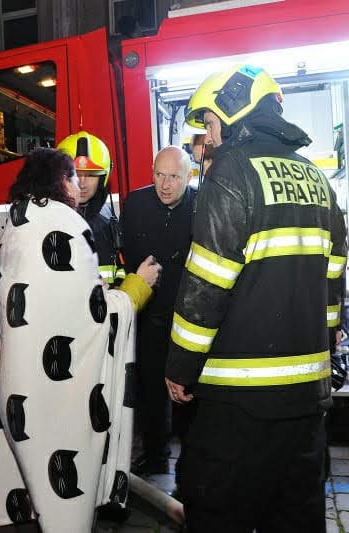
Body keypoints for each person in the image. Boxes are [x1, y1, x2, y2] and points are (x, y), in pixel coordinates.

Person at [165, 65, 348, 532]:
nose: (208, 135)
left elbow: (206, 285)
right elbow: (333, 280)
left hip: (239, 403)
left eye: (208, 123)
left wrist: (180, 369)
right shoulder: (315, 178)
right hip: (308, 402)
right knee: (295, 516)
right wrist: (324, 345)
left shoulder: (231, 173)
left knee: (217, 514)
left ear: (233, 110)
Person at [0, 148, 161, 532]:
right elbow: (93, 318)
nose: (77, 184)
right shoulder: (64, 224)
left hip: (18, 382)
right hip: (54, 397)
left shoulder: (17, 221)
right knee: (62, 499)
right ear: (57, 181)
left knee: (36, 486)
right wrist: (137, 287)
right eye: (71, 176)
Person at [121, 146, 197, 477]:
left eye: (174, 177)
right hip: (150, 314)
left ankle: (191, 462)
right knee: (151, 390)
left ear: (189, 177)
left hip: (187, 317)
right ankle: (155, 456)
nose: (165, 185)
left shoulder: (202, 206)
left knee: (187, 391)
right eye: (159, 175)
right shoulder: (135, 204)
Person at [58, 131, 125, 287]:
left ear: (103, 178)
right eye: (75, 174)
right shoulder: (53, 222)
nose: (82, 183)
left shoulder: (107, 214)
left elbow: (119, 264)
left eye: (91, 175)